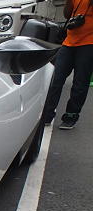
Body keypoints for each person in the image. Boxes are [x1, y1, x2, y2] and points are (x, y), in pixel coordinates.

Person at [42, 0, 93, 130]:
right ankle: (47, 114)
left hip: (89, 43)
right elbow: (67, 15)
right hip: (69, 42)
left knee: (80, 82)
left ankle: (71, 116)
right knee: (56, 79)